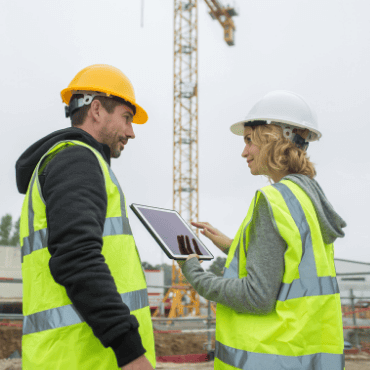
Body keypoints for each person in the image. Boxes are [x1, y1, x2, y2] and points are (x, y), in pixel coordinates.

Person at [177, 90, 347, 369]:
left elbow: (256, 296)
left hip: (268, 355)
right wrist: (234, 245)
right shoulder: (306, 196)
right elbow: (289, 264)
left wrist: (193, 271)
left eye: (249, 141)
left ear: (274, 139)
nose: (244, 151)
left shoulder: (273, 200)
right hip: (301, 352)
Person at [16, 65, 155, 369]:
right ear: (96, 110)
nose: (131, 132)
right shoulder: (77, 160)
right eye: (126, 117)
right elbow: (77, 257)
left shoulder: (72, 161)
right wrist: (129, 350)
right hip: (82, 359)